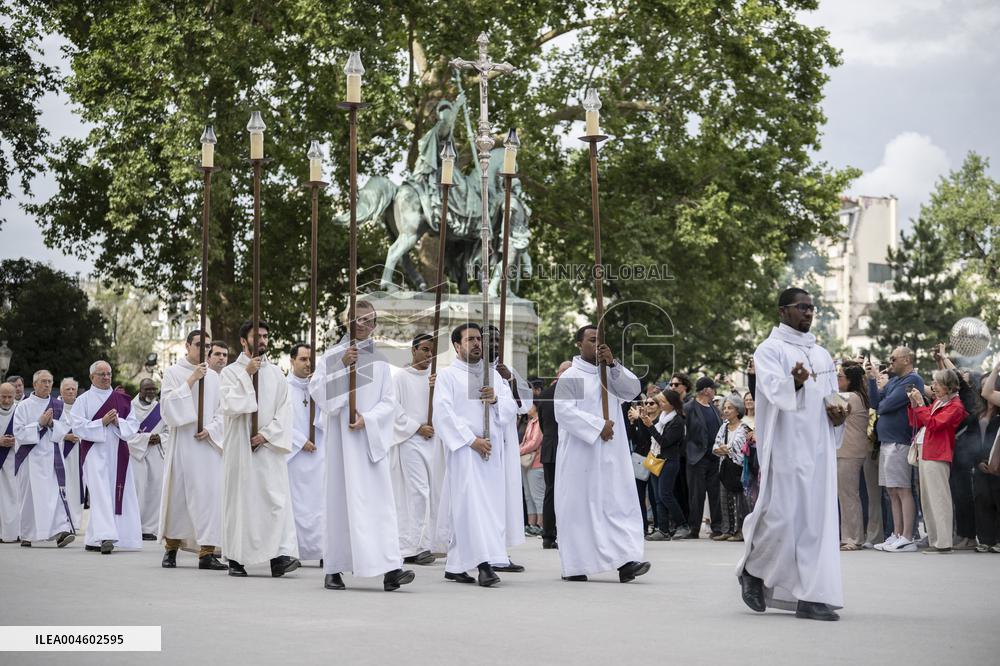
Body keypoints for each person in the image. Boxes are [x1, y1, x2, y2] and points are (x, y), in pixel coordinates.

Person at [737, 287, 847, 622]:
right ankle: (753, 570)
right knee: (782, 518)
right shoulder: (769, 349)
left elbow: (831, 399)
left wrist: (837, 415)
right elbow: (772, 391)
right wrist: (795, 383)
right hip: (785, 446)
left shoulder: (823, 355)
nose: (809, 313)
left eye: (813, 308)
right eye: (802, 307)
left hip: (819, 447)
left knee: (816, 522)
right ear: (783, 311)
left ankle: (812, 596)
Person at [310, 302, 413, 592]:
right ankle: (333, 569)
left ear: (375, 325)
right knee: (339, 504)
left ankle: (391, 569)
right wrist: (343, 366)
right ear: (347, 322)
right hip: (341, 444)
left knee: (380, 506)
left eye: (368, 321)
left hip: (368, 442)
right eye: (357, 320)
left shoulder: (380, 361)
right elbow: (319, 393)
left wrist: (367, 420)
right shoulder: (332, 356)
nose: (363, 326)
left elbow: (389, 402)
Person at [554, 325, 650, 583]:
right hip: (581, 454)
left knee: (616, 504)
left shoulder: (609, 372)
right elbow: (563, 411)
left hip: (612, 454)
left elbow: (632, 390)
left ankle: (626, 561)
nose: (597, 345)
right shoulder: (571, 376)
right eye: (591, 340)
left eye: (601, 341)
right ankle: (576, 564)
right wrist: (598, 426)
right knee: (580, 508)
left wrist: (614, 364)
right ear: (579, 344)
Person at [432, 323, 517, 587]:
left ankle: (455, 565)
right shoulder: (447, 376)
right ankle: (484, 565)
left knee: (487, 509)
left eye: (479, 339)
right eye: (470, 340)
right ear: (457, 346)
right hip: (466, 452)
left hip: (492, 452)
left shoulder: (493, 376)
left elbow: (513, 409)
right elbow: (443, 413)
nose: (477, 344)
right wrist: (471, 441)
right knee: (471, 508)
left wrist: (495, 400)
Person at [219, 320, 299, 578]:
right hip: (241, 447)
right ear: (243, 340)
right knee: (242, 502)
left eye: (265, 336)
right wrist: (247, 375)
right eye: (257, 336)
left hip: (268, 446)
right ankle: (236, 558)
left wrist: (266, 435)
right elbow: (230, 405)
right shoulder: (231, 372)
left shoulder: (276, 373)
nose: (263, 340)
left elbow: (286, 410)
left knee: (274, 501)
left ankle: (278, 555)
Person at [159, 329, 226, 571]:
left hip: (206, 445)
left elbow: (223, 412)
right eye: (199, 345)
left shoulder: (216, 378)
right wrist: (191, 380)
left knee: (209, 497)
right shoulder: (173, 373)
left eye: (208, 345)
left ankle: (207, 553)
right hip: (183, 444)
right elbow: (167, 409)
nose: (204, 349)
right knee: (179, 496)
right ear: (187, 346)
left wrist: (211, 429)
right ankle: (171, 550)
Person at [69, 361, 141, 554]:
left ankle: (95, 538)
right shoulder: (83, 400)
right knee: (100, 493)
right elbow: (77, 426)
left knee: (118, 493)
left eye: (109, 373)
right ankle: (106, 536)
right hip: (94, 452)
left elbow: (133, 426)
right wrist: (101, 422)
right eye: (101, 374)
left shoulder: (123, 400)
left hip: (118, 452)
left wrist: (118, 422)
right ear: (92, 377)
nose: (106, 377)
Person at [390, 334, 443, 566]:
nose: (428, 355)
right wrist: (416, 427)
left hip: (433, 441)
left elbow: (444, 407)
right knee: (417, 492)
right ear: (413, 351)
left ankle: (428, 543)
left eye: (432, 351)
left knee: (433, 492)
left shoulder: (436, 380)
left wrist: (437, 389)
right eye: (424, 350)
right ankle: (412, 545)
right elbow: (394, 409)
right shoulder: (400, 377)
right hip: (410, 440)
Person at [866, 347, 924, 552]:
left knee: (902, 489)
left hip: (900, 441)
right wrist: (872, 379)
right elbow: (874, 402)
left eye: (893, 358)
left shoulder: (913, 379)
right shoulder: (893, 381)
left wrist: (881, 403)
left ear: (907, 359)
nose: (890, 362)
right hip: (887, 442)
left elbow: (885, 406)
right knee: (891, 490)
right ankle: (897, 534)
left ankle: (907, 536)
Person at [907, 368, 967, 554]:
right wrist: (913, 405)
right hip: (927, 451)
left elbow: (934, 424)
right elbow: (915, 422)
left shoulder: (956, 406)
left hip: (938, 453)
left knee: (939, 498)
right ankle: (935, 541)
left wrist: (919, 405)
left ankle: (944, 542)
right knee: (927, 499)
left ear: (949, 386)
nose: (934, 387)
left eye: (937, 384)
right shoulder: (941, 401)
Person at [12, 370, 75, 548]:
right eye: (43, 381)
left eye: (49, 381)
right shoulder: (23, 406)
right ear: (35, 383)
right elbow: (19, 433)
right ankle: (27, 534)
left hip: (51, 457)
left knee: (54, 496)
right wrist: (39, 424)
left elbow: (65, 428)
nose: (47, 385)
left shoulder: (57, 406)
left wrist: (52, 423)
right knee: (29, 497)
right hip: (29, 459)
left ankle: (60, 532)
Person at [485, 325, 529, 573]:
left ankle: (499, 550)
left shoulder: (506, 371)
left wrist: (510, 380)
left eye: (497, 341)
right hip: (485, 443)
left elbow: (523, 405)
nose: (493, 345)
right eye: (489, 340)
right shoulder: (473, 372)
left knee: (504, 498)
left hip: (506, 442)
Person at [286, 343, 325, 565]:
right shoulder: (283, 387)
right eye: (302, 359)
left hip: (318, 452)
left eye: (310, 359)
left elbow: (329, 413)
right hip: (295, 456)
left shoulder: (318, 387)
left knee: (319, 506)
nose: (308, 364)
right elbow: (280, 420)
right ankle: (296, 551)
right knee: (297, 506)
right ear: (292, 361)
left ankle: (321, 550)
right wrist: (300, 441)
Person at [836, 364, 871, 550]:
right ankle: (848, 536)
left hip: (849, 451)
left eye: (840, 376)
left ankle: (853, 538)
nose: (836, 379)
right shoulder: (858, 396)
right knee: (846, 494)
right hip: (849, 450)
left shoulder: (851, 397)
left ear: (850, 380)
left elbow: (827, 402)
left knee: (848, 495)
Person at [683, 376, 723, 538]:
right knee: (696, 495)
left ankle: (717, 527)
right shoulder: (689, 407)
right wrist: (688, 451)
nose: (715, 391)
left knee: (715, 494)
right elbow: (682, 432)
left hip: (714, 458)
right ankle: (694, 529)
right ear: (706, 390)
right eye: (713, 388)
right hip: (697, 458)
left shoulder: (714, 408)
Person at [537, 360, 571, 550]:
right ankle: (566, 532)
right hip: (565, 446)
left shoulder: (545, 394)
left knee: (550, 492)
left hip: (550, 446)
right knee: (568, 491)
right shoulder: (572, 393)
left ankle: (548, 535)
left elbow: (542, 423)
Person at [127, 378, 165, 540]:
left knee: (156, 491)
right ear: (140, 390)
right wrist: (145, 439)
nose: (151, 392)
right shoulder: (129, 408)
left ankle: (150, 528)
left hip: (156, 454)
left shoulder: (162, 409)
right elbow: (125, 433)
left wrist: (161, 438)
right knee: (138, 490)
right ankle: (135, 526)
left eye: (153, 389)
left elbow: (170, 431)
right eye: (147, 389)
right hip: (136, 456)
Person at [648, 389, 689, 540]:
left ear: (672, 404)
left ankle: (683, 524)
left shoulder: (677, 421)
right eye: (660, 401)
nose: (660, 404)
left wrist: (649, 426)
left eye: (663, 402)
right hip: (656, 459)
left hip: (669, 461)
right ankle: (663, 530)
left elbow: (665, 442)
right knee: (659, 497)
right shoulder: (662, 417)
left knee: (665, 494)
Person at [713, 394, 752, 542]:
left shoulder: (744, 428)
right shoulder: (723, 427)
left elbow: (741, 448)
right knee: (724, 498)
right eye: (724, 408)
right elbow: (715, 446)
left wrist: (726, 449)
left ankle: (741, 531)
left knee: (740, 501)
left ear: (738, 410)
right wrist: (723, 449)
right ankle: (727, 530)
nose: (726, 410)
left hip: (739, 469)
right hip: (725, 468)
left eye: (730, 408)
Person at [975, 361, 1000, 552]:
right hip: (984, 463)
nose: (984, 388)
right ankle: (986, 539)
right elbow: (986, 393)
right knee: (983, 500)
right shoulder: (979, 413)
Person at [58, 377, 83, 531]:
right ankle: (63, 521)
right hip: (61, 454)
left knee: (76, 487)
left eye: (73, 388)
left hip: (78, 454)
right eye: (67, 389)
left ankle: (76, 521)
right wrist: (65, 437)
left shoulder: (81, 406)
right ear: (61, 391)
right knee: (63, 486)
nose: (71, 391)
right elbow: (49, 430)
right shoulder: (55, 406)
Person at [519, 404, 544, 536]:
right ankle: (531, 524)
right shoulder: (530, 422)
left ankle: (541, 524)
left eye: (530, 405)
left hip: (536, 462)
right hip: (526, 462)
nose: (527, 407)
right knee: (528, 496)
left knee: (537, 495)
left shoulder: (539, 422)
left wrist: (518, 451)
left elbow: (534, 442)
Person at [0, 383, 18, 543]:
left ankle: (13, 533)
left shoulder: (20, 411)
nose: (6, 400)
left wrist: (16, 440)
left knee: (13, 499)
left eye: (9, 397)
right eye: (3, 396)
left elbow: (28, 432)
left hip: (14, 463)